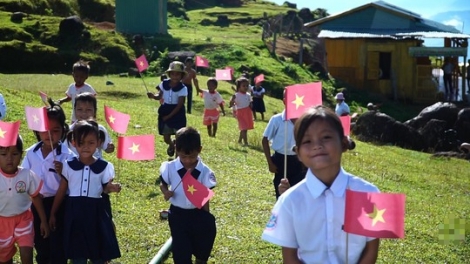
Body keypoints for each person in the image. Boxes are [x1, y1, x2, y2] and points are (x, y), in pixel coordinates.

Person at [262, 106, 380, 263]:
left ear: (344, 143)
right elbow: (290, 257)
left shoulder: (369, 193)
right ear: (298, 153)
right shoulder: (290, 201)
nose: (316, 145)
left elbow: (371, 249)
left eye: (326, 137)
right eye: (307, 141)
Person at [49, 120, 122, 263]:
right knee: (78, 254)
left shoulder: (105, 166)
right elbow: (62, 190)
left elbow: (105, 188)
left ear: (99, 142)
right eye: (81, 143)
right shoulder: (68, 165)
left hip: (95, 213)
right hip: (74, 214)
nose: (86, 147)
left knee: (98, 251)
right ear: (74, 143)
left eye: (91, 142)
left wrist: (111, 188)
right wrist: (53, 213)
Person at [21, 100, 72, 264]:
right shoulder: (30, 153)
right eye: (45, 130)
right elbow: (25, 179)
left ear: (63, 131)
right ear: (38, 130)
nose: (49, 135)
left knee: (58, 244)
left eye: (55, 130)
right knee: (41, 241)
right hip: (36, 204)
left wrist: (62, 172)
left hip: (59, 204)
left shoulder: (67, 156)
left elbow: (70, 184)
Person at [159, 127, 217, 264]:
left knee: (202, 243)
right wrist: (165, 192)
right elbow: (163, 183)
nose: (187, 161)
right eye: (183, 157)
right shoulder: (170, 167)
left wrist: (205, 216)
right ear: (176, 150)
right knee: (181, 250)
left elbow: (205, 196)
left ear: (199, 150)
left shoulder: (204, 171)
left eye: (192, 156)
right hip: (178, 215)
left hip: (197, 213)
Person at [0, 136, 50, 264]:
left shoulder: (27, 175)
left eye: (15, 154)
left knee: (27, 255)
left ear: (21, 155)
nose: (9, 159)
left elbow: (36, 197)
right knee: (4, 258)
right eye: (3, 154)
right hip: (2, 223)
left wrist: (44, 221)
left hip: (23, 219)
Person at [262, 89, 304, 199]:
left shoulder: (304, 121)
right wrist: (270, 163)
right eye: (291, 100)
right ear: (284, 101)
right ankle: (281, 215)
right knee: (281, 193)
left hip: (299, 161)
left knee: (297, 193)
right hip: (281, 160)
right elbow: (265, 140)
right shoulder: (277, 120)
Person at [147, 61, 188, 158]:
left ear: (181, 75)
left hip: (177, 113)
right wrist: (153, 96)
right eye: (173, 73)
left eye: (178, 74)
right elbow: (159, 96)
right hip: (165, 110)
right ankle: (171, 144)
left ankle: (177, 159)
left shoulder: (183, 88)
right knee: (166, 137)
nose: (175, 76)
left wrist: (169, 116)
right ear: (169, 74)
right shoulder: (164, 84)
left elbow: (179, 105)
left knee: (179, 136)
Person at [66, 92, 114, 159]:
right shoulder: (69, 130)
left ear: (95, 111)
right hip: (74, 167)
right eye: (79, 109)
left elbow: (107, 148)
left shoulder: (99, 129)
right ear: (74, 110)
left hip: (95, 167)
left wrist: (110, 148)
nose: (84, 113)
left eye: (88, 110)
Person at [229, 77, 254, 145]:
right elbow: (231, 104)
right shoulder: (236, 95)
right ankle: (246, 142)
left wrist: (251, 106)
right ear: (239, 87)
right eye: (243, 86)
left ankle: (240, 140)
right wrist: (232, 100)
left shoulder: (248, 95)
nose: (245, 87)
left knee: (244, 128)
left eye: (247, 86)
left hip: (247, 112)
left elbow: (250, 102)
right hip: (240, 113)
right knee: (244, 128)